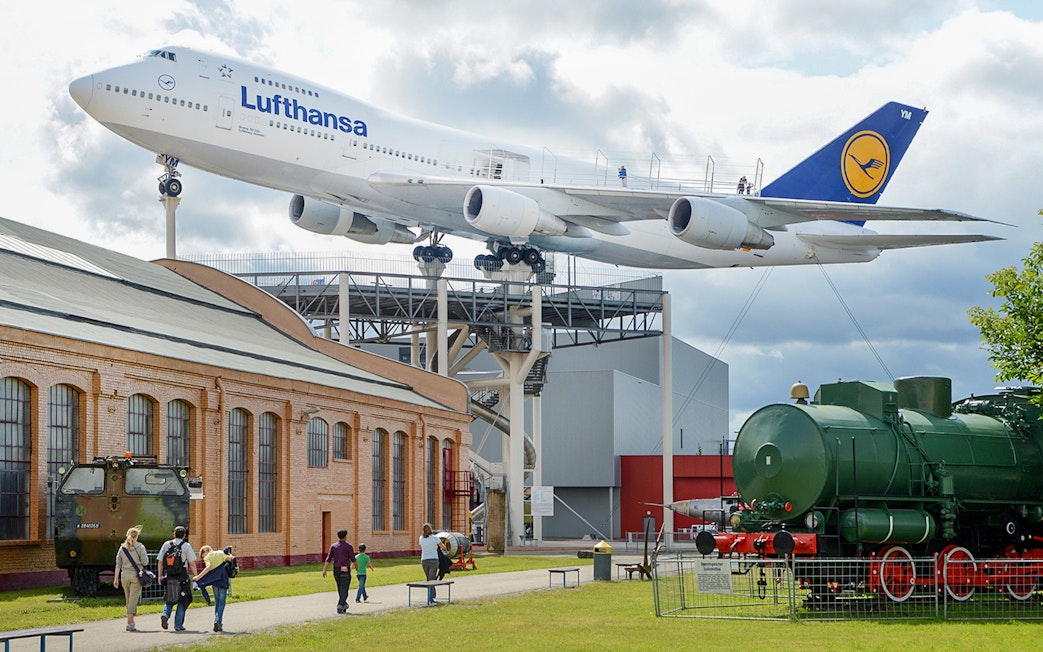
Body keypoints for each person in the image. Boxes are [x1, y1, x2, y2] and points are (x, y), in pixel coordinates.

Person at [156, 525, 198, 632]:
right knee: (183, 600)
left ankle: (165, 614)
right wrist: (196, 576)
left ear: (174, 534)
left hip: (169, 576)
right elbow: (192, 563)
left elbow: (160, 561)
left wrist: (160, 575)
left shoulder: (167, 544)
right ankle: (178, 625)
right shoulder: (186, 546)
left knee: (170, 599)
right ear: (184, 535)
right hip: (182, 577)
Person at [113, 525, 149, 632]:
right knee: (133, 599)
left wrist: (116, 579)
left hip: (124, 575)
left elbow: (118, 565)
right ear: (137, 536)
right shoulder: (140, 547)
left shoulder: (122, 548)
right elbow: (145, 562)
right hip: (136, 575)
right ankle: (130, 622)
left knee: (128, 598)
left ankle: (131, 620)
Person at [193, 544, 234, 632]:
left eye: (202, 555)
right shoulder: (220, 553)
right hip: (223, 580)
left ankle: (217, 621)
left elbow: (208, 568)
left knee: (217, 602)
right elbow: (230, 559)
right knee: (222, 603)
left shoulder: (207, 557)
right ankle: (218, 621)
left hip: (215, 582)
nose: (202, 557)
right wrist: (230, 554)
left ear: (205, 551)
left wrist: (198, 577)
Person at [321, 529, 356, 613]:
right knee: (344, 587)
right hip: (344, 569)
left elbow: (328, 559)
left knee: (340, 587)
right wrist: (356, 566)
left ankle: (344, 605)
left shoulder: (333, 546)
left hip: (336, 569)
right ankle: (340, 605)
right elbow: (353, 558)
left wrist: (324, 570)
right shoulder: (348, 546)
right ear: (345, 536)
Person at [419, 523, 447, 605]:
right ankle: (431, 598)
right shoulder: (435, 538)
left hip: (424, 560)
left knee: (429, 579)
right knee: (432, 579)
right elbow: (443, 547)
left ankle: (431, 597)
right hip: (433, 559)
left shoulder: (421, 538)